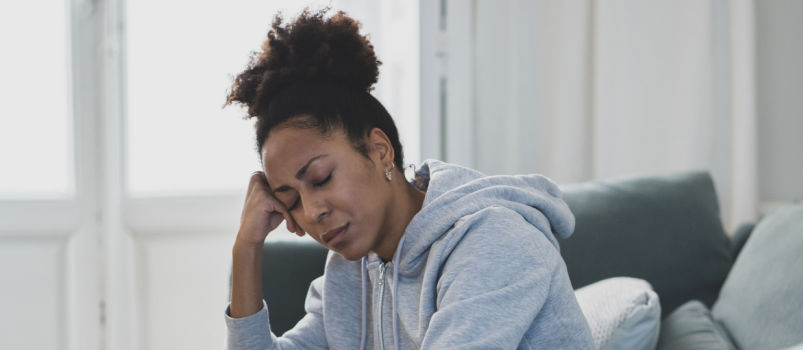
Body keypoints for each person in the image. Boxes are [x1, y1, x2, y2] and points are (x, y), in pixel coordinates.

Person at [223, 8, 594, 350]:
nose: (312, 211)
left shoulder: (493, 242)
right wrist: (246, 249)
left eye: (321, 178)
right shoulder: (352, 273)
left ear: (380, 150)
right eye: (290, 201)